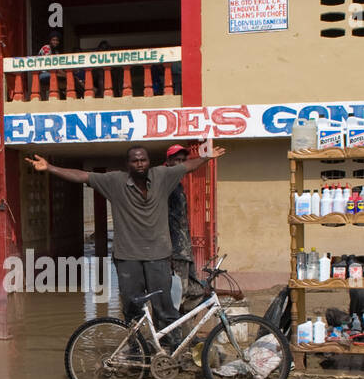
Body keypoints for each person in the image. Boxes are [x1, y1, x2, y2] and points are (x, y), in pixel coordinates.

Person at [25, 141, 226, 341]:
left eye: (143, 160)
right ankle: (135, 349)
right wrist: (49, 167)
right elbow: (81, 175)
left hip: (159, 257)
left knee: (165, 308)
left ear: (149, 162)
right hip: (128, 259)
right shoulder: (115, 182)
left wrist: (207, 158)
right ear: (128, 164)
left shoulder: (162, 176)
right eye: (135, 160)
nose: (139, 164)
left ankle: (171, 351)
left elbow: (187, 166)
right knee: (132, 309)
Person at [160, 144, 203, 308]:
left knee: (197, 291)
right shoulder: (164, 182)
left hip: (184, 250)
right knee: (179, 295)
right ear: (168, 162)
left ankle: (183, 330)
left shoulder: (176, 184)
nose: (180, 163)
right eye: (176, 160)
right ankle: (172, 331)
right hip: (174, 251)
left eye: (183, 160)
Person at [37, 31, 63, 99]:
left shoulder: (56, 52)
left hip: (52, 73)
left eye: (57, 40)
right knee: (64, 77)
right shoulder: (46, 48)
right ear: (50, 40)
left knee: (69, 77)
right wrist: (62, 73)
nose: (55, 42)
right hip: (43, 74)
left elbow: (58, 66)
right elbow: (48, 66)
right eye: (53, 40)